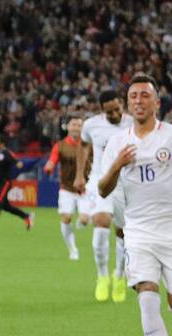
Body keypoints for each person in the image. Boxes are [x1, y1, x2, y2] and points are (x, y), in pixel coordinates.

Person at [100, 74, 172, 336]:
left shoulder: (170, 137)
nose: (139, 101)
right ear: (129, 105)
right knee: (147, 294)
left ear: (157, 104)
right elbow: (103, 189)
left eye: (145, 95)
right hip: (139, 230)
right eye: (133, 96)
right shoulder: (118, 143)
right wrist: (117, 166)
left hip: (171, 226)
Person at [79, 90, 133, 302]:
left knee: (122, 233)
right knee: (101, 223)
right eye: (109, 112)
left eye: (117, 109)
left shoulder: (132, 123)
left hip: (125, 184)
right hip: (99, 180)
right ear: (102, 111)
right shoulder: (91, 125)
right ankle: (102, 276)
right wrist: (79, 174)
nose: (114, 114)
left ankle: (119, 276)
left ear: (122, 104)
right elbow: (83, 145)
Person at [44, 116, 89, 260]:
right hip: (67, 188)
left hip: (86, 188)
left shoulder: (89, 144)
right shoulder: (60, 145)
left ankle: (82, 220)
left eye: (79, 125)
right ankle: (73, 250)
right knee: (66, 217)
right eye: (73, 124)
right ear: (68, 127)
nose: (76, 127)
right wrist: (50, 166)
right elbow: (53, 159)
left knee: (84, 220)